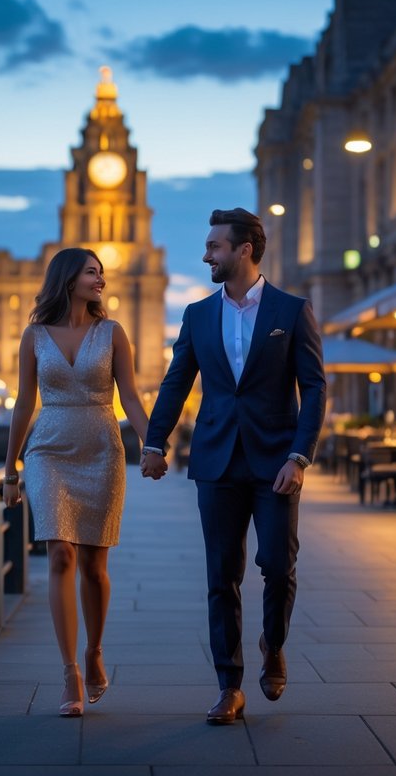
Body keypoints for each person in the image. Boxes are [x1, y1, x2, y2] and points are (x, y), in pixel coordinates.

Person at [141, 208, 326, 725]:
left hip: (276, 464)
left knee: (277, 565)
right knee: (221, 577)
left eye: (215, 246)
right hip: (216, 462)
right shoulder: (198, 315)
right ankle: (229, 685)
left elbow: (313, 388)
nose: (206, 255)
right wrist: (156, 442)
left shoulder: (291, 311)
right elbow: (177, 382)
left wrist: (299, 454)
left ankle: (274, 643)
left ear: (244, 249)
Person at [2, 247, 151, 717]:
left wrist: (152, 445)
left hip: (102, 450)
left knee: (94, 565)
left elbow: (129, 394)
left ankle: (95, 650)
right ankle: (70, 671)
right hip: (48, 451)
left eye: (101, 273)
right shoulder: (34, 335)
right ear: (68, 279)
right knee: (60, 553)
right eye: (92, 272)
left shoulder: (113, 333)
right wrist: (11, 470)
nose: (100, 280)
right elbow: (24, 403)